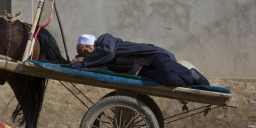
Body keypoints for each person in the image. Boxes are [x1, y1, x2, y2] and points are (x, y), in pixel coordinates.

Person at [69, 33, 210, 88]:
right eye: (84, 52)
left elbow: (109, 53)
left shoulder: (104, 40)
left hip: (151, 56)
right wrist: (78, 63)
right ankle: (188, 76)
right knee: (172, 80)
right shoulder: (97, 60)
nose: (87, 51)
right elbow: (93, 67)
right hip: (142, 71)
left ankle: (190, 73)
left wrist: (84, 60)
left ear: (92, 43)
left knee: (167, 69)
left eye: (86, 47)